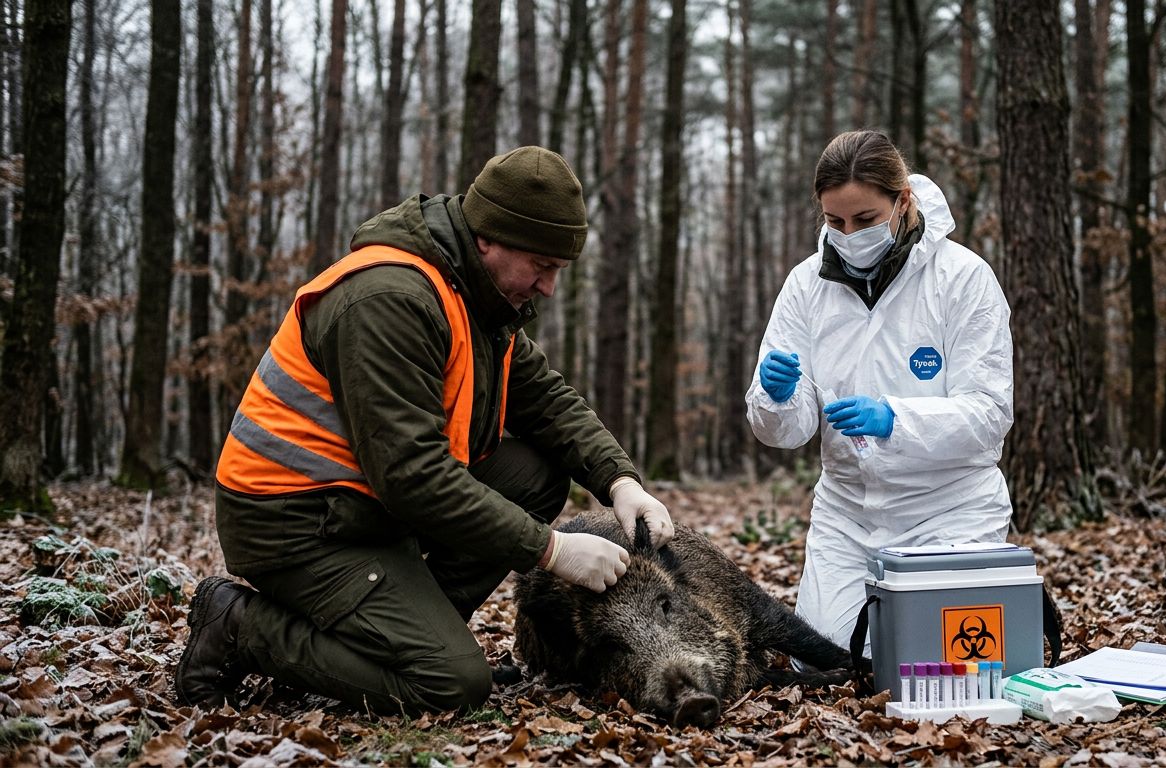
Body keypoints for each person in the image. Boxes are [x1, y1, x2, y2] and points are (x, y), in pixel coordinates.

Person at [174, 146, 675, 716]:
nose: (548, 288)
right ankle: (238, 626)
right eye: (541, 266)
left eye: (558, 270)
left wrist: (621, 482)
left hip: (361, 506)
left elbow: (545, 399)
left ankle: (417, 632)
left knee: (535, 475)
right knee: (450, 683)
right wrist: (551, 550)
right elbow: (413, 477)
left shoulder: (478, 298)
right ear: (487, 239)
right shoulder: (389, 300)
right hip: (295, 523)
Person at [746, 130, 1013, 655]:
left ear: (902, 201)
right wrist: (776, 398)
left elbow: (989, 414)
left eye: (865, 219)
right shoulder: (806, 286)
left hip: (950, 508)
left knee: (941, 659)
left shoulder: (962, 279)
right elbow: (787, 432)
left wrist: (895, 419)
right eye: (835, 222)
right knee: (829, 658)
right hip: (847, 514)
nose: (849, 234)